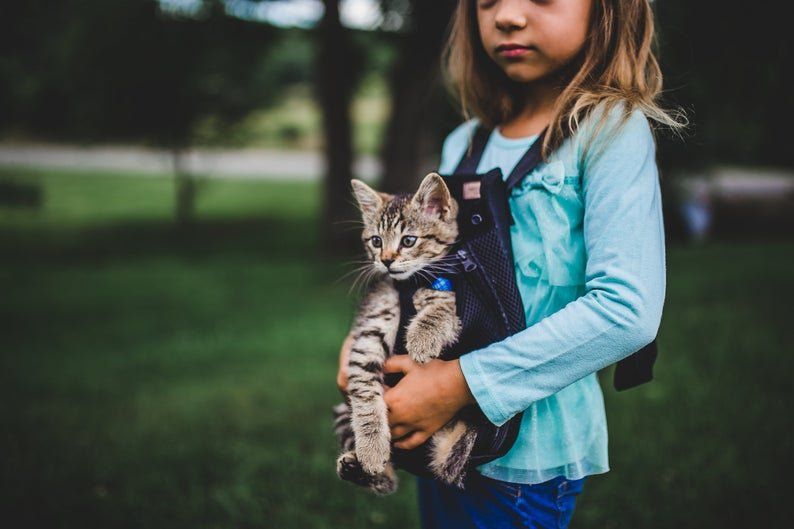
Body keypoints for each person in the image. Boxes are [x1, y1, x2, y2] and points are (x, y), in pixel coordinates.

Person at [338, 0, 684, 527]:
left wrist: (457, 384)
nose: (507, 16)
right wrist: (367, 344)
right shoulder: (465, 142)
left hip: (529, 463)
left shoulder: (611, 130)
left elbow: (627, 311)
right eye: (487, 1)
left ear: (607, 11)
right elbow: (432, 274)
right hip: (442, 444)